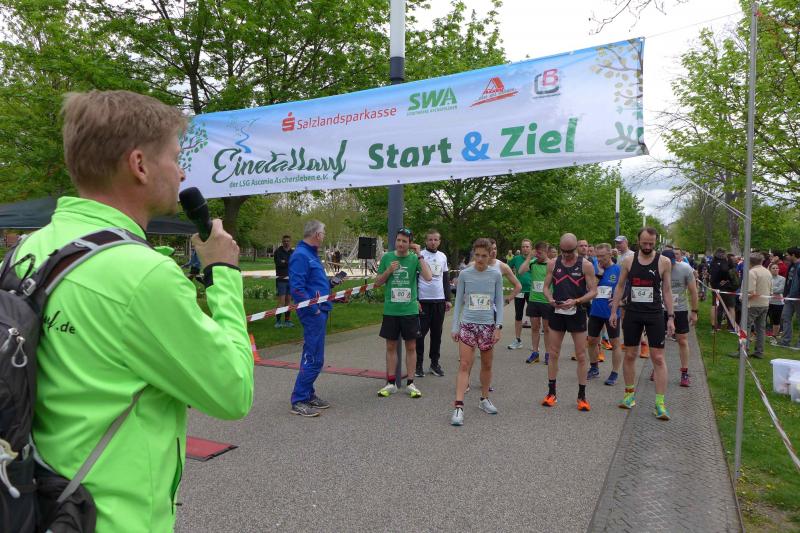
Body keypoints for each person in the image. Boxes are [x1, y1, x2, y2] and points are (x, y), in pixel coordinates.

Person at [11, 90, 254, 531]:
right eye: (176, 158)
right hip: (113, 518)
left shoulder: (28, 249)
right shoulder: (142, 275)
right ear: (139, 165)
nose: (182, 172)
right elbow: (233, 391)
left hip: (37, 503)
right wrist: (224, 273)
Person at [610, 228, 675, 420]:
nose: (647, 246)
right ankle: (629, 395)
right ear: (638, 241)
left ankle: (660, 404)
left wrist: (671, 317)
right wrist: (614, 310)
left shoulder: (664, 262)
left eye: (651, 243)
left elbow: (667, 290)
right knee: (630, 354)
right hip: (633, 313)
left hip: (654, 314)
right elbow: (620, 286)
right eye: (644, 243)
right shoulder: (628, 261)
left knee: (658, 358)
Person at [450, 238, 505, 426]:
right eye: (477, 255)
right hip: (468, 325)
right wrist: (455, 326)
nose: (480, 259)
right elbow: (459, 301)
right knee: (464, 364)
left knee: (487, 365)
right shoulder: (465, 274)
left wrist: (498, 327)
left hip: (488, 326)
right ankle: (458, 406)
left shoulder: (495, 275)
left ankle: (484, 399)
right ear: (473, 254)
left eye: (484, 256)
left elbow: (499, 302)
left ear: (490, 255)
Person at [541, 233, 598, 411]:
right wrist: (550, 298)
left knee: (581, 355)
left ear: (576, 248)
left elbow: (593, 291)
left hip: (577, 312)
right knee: (553, 353)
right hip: (557, 312)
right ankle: (551, 393)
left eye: (570, 252)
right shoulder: (553, 263)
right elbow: (545, 287)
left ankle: (582, 396)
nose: (566, 255)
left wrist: (577, 301)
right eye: (563, 251)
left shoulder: (585, 265)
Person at [375, 228, 432, 398]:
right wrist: (388, 271)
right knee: (391, 346)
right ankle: (391, 383)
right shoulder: (387, 257)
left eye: (404, 241)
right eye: (398, 240)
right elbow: (377, 282)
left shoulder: (414, 258)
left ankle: (411, 383)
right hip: (391, 310)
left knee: (411, 346)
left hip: (409, 310)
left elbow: (428, 276)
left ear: (410, 243)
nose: (400, 244)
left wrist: (420, 254)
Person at [289, 220, 334, 416]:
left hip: (320, 309)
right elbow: (297, 288)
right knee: (314, 356)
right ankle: (299, 399)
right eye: (323, 233)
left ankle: (308, 393)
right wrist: (314, 309)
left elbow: (315, 284)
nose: (324, 236)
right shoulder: (301, 255)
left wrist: (330, 287)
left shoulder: (311, 255)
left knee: (313, 354)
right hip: (313, 313)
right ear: (317, 235)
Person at [586, 244, 623, 386]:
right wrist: (599, 274)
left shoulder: (618, 269)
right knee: (592, 340)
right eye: (598, 256)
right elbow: (590, 289)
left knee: (615, 342)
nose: (600, 259)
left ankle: (614, 373)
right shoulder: (595, 269)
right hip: (596, 311)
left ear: (610, 255)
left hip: (611, 312)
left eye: (602, 256)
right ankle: (594, 368)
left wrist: (620, 301)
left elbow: (624, 288)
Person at [416, 229, 451, 377]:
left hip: (439, 301)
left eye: (436, 240)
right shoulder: (419, 255)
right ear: (426, 241)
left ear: (439, 241)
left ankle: (434, 363)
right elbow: (414, 278)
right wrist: (416, 299)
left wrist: (448, 299)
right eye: (430, 239)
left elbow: (445, 278)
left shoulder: (442, 256)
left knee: (437, 334)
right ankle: (418, 365)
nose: (433, 242)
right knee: (420, 335)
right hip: (423, 301)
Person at [662, 249, 699, 386]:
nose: (670, 266)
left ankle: (684, 372)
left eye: (672, 263)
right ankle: (657, 368)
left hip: (680, 309)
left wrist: (694, 312)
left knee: (682, 340)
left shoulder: (685, 268)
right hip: (660, 309)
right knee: (657, 341)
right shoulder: (656, 269)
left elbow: (693, 291)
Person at [730, 253, 772, 359]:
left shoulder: (752, 273)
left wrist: (741, 298)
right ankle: (759, 351)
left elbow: (751, 292)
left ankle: (743, 351)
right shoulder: (767, 272)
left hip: (752, 304)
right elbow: (771, 290)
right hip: (764, 303)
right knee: (761, 328)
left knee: (745, 327)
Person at [518, 241, 551, 364]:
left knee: (547, 329)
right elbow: (521, 271)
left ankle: (548, 354)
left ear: (546, 252)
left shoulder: (552, 264)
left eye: (540, 253)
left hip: (547, 301)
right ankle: (535, 352)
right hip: (534, 300)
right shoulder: (533, 263)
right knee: (535, 328)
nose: (537, 255)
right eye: (536, 253)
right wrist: (529, 258)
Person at [507, 239, 533, 350]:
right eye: (523, 246)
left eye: (527, 246)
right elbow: (506, 268)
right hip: (519, 292)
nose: (525, 248)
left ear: (531, 248)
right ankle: (518, 340)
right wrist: (512, 279)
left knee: (534, 318)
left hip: (532, 292)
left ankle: (534, 344)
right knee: (518, 316)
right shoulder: (516, 258)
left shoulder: (535, 259)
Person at [778, 247, 800, 349]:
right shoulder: (791, 265)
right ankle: (785, 340)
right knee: (785, 317)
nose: (786, 256)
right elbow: (788, 281)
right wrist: (786, 294)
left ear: (793, 255)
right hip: (789, 297)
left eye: (787, 254)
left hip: (797, 298)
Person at [710, 248, 735, 331]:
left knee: (716, 306)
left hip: (717, 287)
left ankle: (715, 325)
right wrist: (727, 279)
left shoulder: (713, 262)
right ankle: (731, 326)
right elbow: (732, 272)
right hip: (728, 287)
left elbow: (712, 275)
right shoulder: (728, 261)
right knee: (730, 307)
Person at [274, 234, 295, 328]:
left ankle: (287, 321)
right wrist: (288, 262)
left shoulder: (293, 252)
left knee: (288, 301)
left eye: (288, 241)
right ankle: (278, 321)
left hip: (291, 280)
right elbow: (279, 264)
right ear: (282, 242)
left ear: (290, 242)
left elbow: (295, 264)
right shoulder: (278, 252)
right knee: (281, 301)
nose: (286, 243)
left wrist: (285, 262)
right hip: (281, 280)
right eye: (284, 241)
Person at [768, 263, 785, 339]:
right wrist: (775, 288)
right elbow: (765, 288)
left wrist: (771, 289)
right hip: (767, 302)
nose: (775, 269)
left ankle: (774, 336)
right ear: (770, 269)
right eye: (773, 268)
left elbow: (780, 290)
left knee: (776, 320)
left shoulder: (782, 279)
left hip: (778, 303)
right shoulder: (767, 278)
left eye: (777, 268)